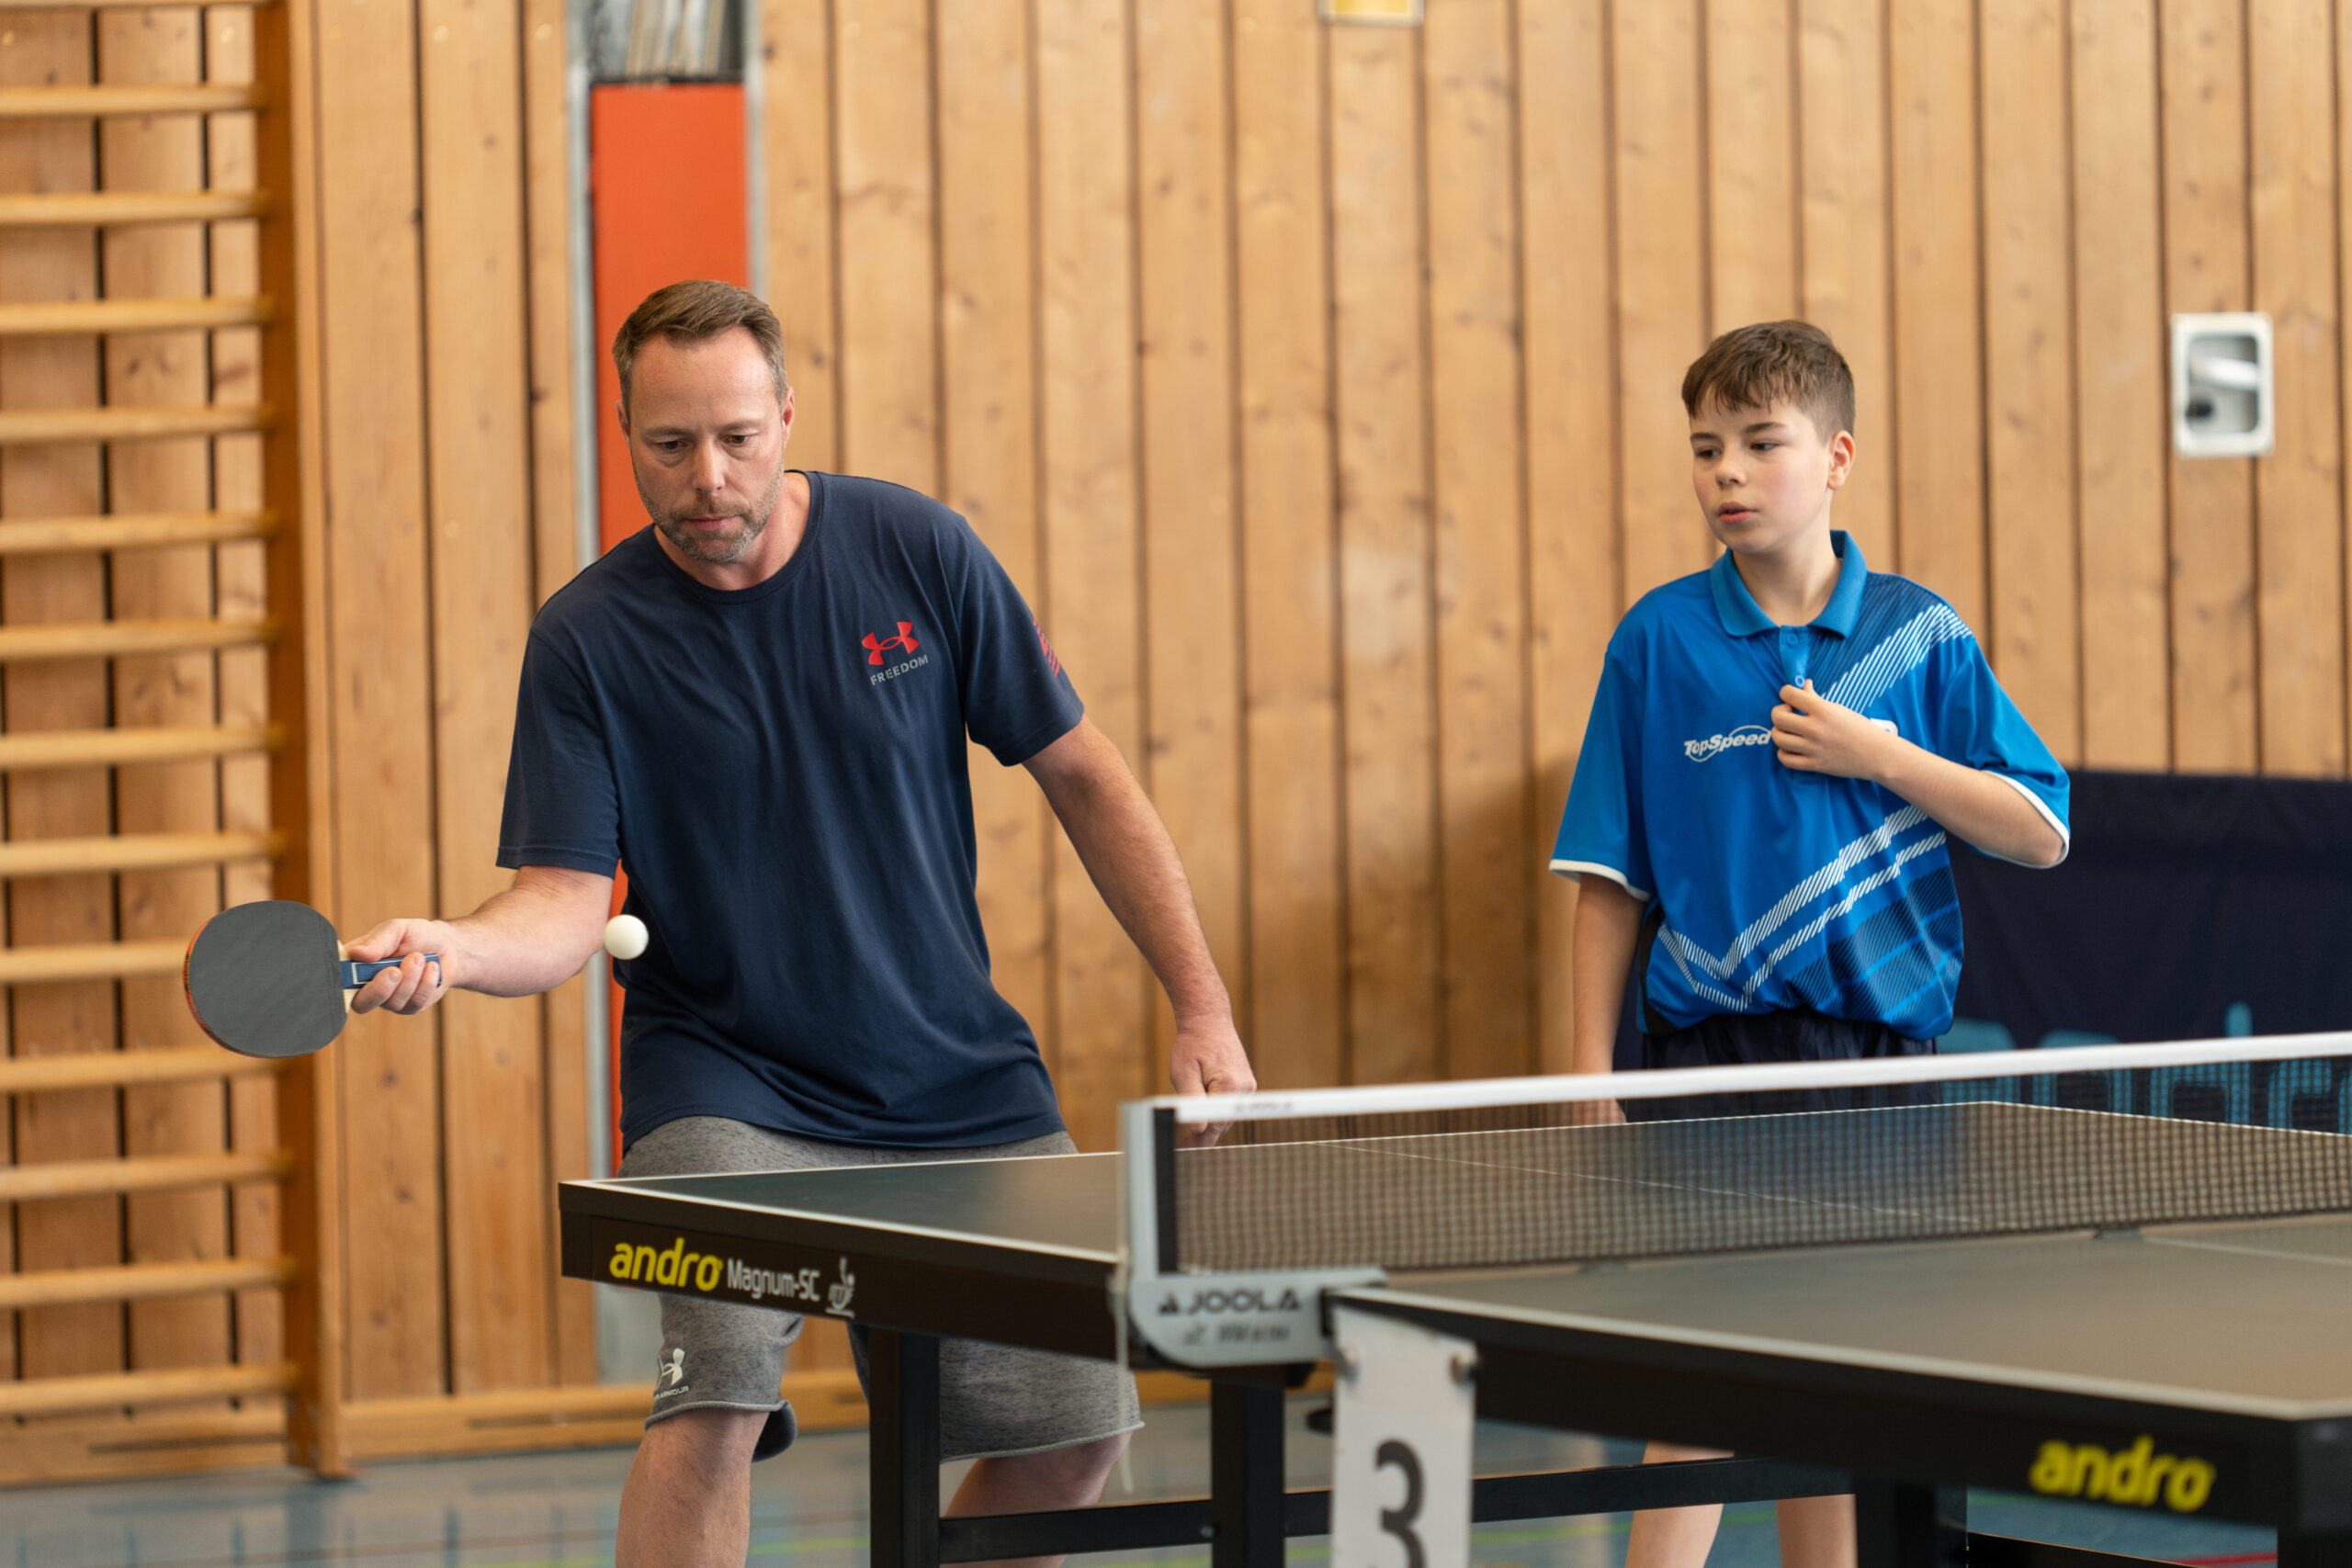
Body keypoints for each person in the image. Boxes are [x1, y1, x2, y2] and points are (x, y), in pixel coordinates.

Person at [339, 278, 1255, 1568]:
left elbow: (1086, 778)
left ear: (785, 417)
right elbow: (561, 902)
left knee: (1074, 1434)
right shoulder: (587, 640)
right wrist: (455, 945)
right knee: (713, 1404)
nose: (707, 477)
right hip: (727, 1087)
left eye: (736, 437)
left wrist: (1202, 1004)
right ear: (625, 433)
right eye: (670, 444)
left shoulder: (918, 551)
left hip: (958, 1080)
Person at [1549, 320, 2069, 1568]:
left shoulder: (1918, 636)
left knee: (1830, 1393)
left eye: (1759, 443)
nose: (1726, 471)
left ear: (1835, 457)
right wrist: (1585, 1071)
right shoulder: (1659, 641)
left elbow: (2042, 829)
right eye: (1704, 448)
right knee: (1700, 1381)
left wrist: (1884, 756)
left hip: (1874, 1063)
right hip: (1708, 1061)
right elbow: (1610, 883)